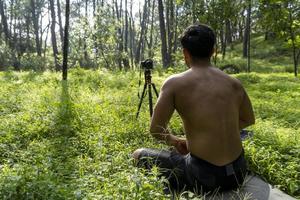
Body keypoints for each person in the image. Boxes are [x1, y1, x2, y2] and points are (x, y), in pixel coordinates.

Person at [132, 24, 255, 194]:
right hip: (238, 172)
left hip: (204, 177)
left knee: (138, 154)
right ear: (214, 51)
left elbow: (156, 130)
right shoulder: (234, 83)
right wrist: (214, 133)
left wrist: (176, 141)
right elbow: (249, 120)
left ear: (185, 53)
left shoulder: (174, 83)